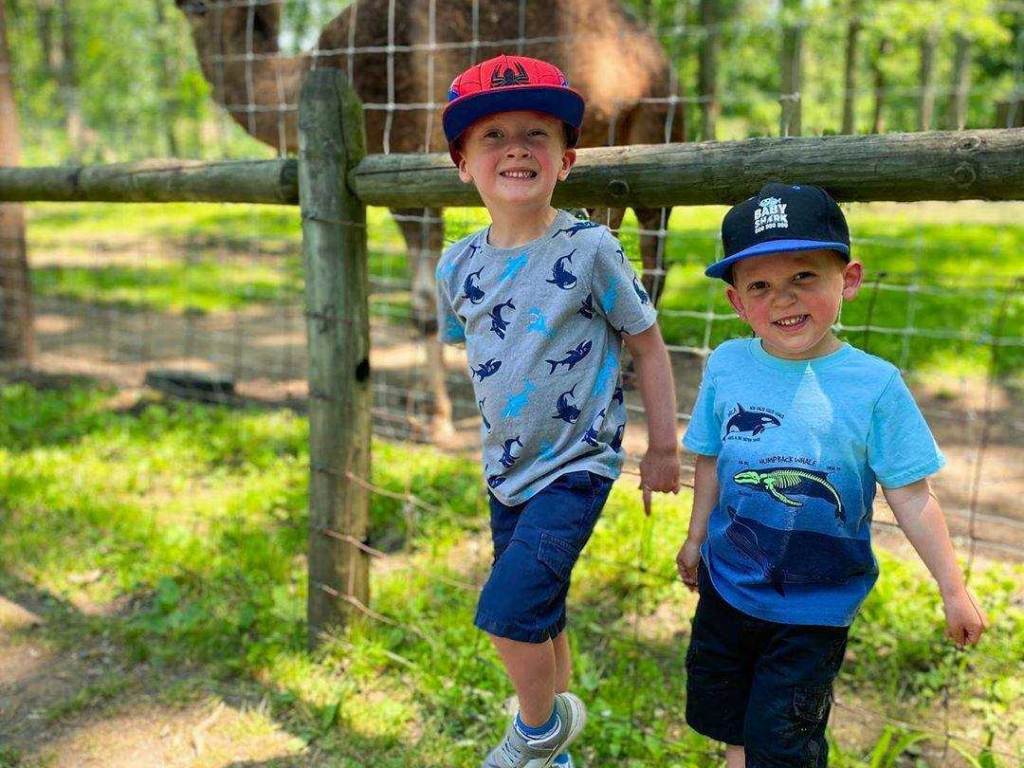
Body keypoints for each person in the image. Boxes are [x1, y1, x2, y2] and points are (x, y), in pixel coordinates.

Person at [676, 182, 989, 768]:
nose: (782, 299)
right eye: (760, 286)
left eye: (804, 278)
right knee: (730, 721)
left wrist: (953, 588)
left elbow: (912, 495)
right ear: (736, 302)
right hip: (728, 587)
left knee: (785, 746)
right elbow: (711, 457)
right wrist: (695, 539)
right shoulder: (727, 365)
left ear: (847, 280)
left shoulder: (875, 386)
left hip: (813, 606)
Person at [437, 54, 681, 768]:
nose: (517, 147)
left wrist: (661, 449)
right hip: (504, 472)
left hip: (576, 467)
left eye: (537, 134)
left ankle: (536, 733)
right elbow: (468, 343)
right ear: (463, 164)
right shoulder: (457, 264)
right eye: (494, 136)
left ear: (566, 158)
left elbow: (651, 347)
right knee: (542, 615)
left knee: (507, 615)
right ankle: (555, 756)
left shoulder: (590, 248)